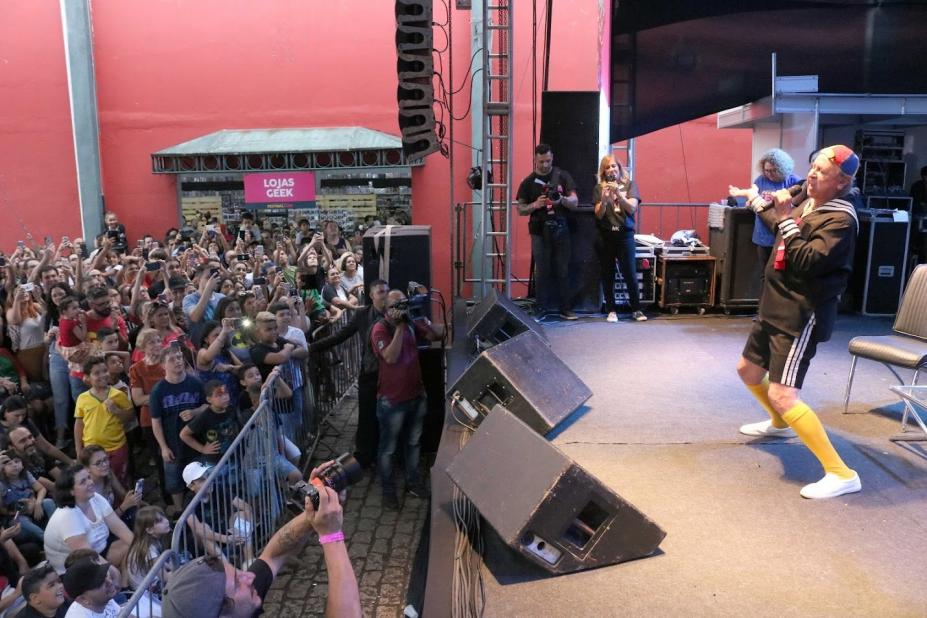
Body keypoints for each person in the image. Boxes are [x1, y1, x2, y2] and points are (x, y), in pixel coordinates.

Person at [734, 145, 862, 500]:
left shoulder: (841, 219)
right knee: (747, 370)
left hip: (802, 314)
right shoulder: (807, 199)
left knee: (783, 393)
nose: (812, 175)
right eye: (813, 167)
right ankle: (778, 424)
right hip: (775, 304)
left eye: (822, 171)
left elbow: (805, 258)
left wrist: (787, 216)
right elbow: (780, 223)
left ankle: (842, 473)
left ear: (841, 182)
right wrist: (758, 202)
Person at [161, 461, 361, 618]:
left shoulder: (237, 600)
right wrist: (331, 535)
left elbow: (273, 555)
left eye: (238, 572)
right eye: (238, 582)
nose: (248, 576)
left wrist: (313, 511)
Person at [371, 290, 441, 510]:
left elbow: (434, 336)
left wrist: (421, 316)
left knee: (413, 443)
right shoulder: (380, 329)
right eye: (396, 305)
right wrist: (400, 327)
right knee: (388, 449)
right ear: (386, 308)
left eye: (403, 303)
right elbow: (390, 357)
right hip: (392, 400)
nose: (401, 308)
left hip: (416, 396)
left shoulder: (410, 322)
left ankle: (413, 483)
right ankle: (388, 491)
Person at [310, 279, 388, 468]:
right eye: (381, 292)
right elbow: (340, 336)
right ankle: (364, 456)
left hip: (390, 375)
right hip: (369, 374)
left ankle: (384, 454)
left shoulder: (394, 315)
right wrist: (312, 347)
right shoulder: (362, 314)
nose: (385, 295)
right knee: (367, 416)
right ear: (371, 295)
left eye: (387, 291)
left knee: (386, 416)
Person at [516, 143, 579, 319]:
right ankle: (541, 309)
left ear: (552, 158)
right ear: (535, 160)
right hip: (539, 230)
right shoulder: (528, 182)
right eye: (541, 161)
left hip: (561, 227)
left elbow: (575, 202)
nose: (545, 165)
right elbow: (520, 209)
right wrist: (535, 204)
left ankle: (566, 308)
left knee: (563, 269)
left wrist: (562, 200)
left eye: (548, 161)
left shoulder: (562, 176)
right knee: (542, 271)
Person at [728, 148, 802, 289]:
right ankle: (763, 307)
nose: (769, 174)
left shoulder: (794, 181)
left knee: (781, 274)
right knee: (764, 274)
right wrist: (743, 196)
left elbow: (798, 205)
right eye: (766, 170)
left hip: (782, 236)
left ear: (782, 169)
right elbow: (752, 193)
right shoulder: (761, 180)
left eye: (773, 171)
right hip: (762, 235)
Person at [148, 344, 207, 515]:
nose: (178, 361)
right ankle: (181, 513)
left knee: (198, 476)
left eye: (179, 357)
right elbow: (156, 421)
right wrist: (164, 447)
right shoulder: (158, 391)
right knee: (174, 481)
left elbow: (206, 405)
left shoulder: (195, 382)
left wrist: (195, 411)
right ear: (163, 365)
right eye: (172, 359)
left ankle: (201, 511)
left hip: (196, 441)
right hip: (172, 443)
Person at [43, 464, 134, 574]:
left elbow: (119, 528)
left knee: (136, 548)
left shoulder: (95, 497)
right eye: (83, 482)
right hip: (73, 569)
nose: (90, 482)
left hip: (100, 550)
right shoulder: (67, 516)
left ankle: (127, 584)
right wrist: (114, 573)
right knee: (127, 562)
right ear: (71, 491)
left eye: (89, 478)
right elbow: (88, 557)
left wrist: (143, 549)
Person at [593, 155, 647, 323]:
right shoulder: (598, 188)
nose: (611, 170)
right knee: (607, 273)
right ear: (603, 172)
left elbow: (632, 208)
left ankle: (636, 309)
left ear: (619, 168)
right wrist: (604, 199)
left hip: (625, 235)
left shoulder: (630, 185)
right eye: (607, 167)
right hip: (606, 235)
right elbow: (599, 214)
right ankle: (611, 310)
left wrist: (619, 195)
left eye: (614, 166)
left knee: (630, 272)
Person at [73, 357, 134, 488]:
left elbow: (130, 416)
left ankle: (122, 505)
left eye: (104, 371)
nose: (102, 375)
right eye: (96, 373)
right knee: (98, 482)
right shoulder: (82, 398)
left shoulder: (118, 394)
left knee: (120, 479)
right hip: (92, 450)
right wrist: (79, 450)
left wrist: (116, 411)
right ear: (87, 378)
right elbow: (79, 425)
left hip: (117, 447)